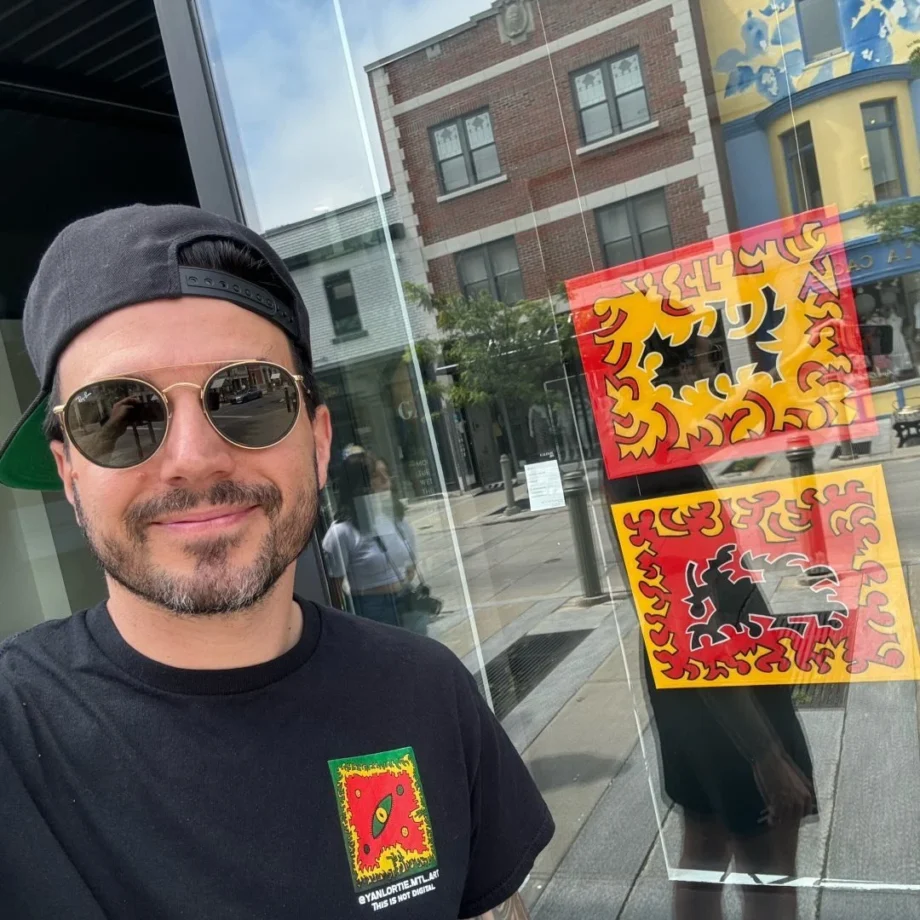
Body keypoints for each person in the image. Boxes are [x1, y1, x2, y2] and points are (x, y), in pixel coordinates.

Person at [0, 204, 553, 920]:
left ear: (318, 444)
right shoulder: (16, 741)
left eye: (248, 395)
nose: (195, 458)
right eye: (119, 414)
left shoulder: (426, 690)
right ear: (70, 473)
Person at [601, 465, 816, 920]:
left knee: (706, 845)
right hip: (722, 679)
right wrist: (766, 754)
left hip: (693, 670)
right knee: (767, 866)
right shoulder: (649, 454)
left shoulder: (636, 452)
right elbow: (688, 604)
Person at [323, 447, 428, 634]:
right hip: (372, 607)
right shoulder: (342, 531)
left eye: (386, 473)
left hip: (406, 599)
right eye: (376, 476)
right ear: (360, 484)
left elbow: (410, 565)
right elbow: (334, 586)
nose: (385, 480)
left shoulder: (395, 520)